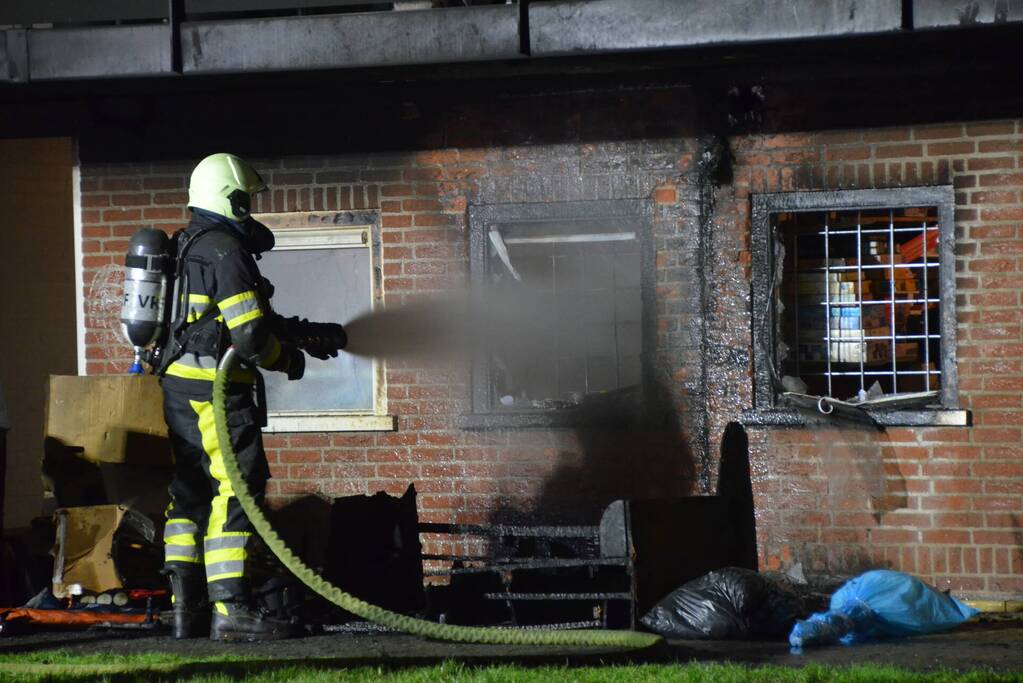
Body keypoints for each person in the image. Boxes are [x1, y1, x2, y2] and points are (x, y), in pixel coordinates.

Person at [159, 153, 344, 642]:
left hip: (180, 387)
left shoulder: (188, 244)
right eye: (247, 198)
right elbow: (250, 339)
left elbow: (221, 322)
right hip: (217, 395)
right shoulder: (226, 251)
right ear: (232, 197)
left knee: (191, 492)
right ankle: (232, 608)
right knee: (238, 488)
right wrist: (289, 360)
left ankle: (186, 607)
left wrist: (306, 336)